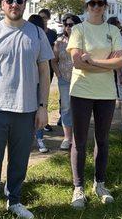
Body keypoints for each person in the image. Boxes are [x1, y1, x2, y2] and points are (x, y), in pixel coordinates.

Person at [0, 0, 53, 219]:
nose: (14, 5)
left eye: (19, 1)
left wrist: (43, 108)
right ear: (2, 5)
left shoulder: (37, 33)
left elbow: (45, 72)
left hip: (27, 110)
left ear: (25, 4)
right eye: (10, 1)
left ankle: (14, 201)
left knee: (19, 162)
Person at [67, 0, 122, 210]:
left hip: (106, 93)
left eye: (101, 3)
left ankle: (99, 184)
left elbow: (121, 61)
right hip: (81, 90)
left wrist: (93, 60)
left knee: (102, 140)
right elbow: (77, 63)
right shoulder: (78, 29)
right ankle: (78, 187)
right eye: (92, 3)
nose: (96, 7)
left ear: (105, 6)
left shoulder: (113, 30)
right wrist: (106, 63)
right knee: (79, 141)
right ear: (86, 6)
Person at [52, 14, 81, 150]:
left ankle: (78, 136)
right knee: (66, 108)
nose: (68, 27)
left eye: (71, 24)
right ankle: (67, 138)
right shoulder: (59, 42)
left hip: (81, 80)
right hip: (64, 79)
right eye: (66, 25)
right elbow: (54, 60)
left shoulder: (83, 41)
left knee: (80, 107)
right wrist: (58, 75)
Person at [28, 14, 50, 153]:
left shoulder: (38, 36)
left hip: (35, 81)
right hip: (34, 81)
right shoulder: (39, 35)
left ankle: (38, 139)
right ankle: (39, 140)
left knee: (36, 111)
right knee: (38, 111)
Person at [38, 8, 57, 132]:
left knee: (45, 92)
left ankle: (45, 120)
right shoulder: (35, 31)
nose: (43, 19)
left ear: (48, 18)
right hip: (35, 67)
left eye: (44, 17)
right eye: (40, 17)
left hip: (48, 67)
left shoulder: (52, 33)